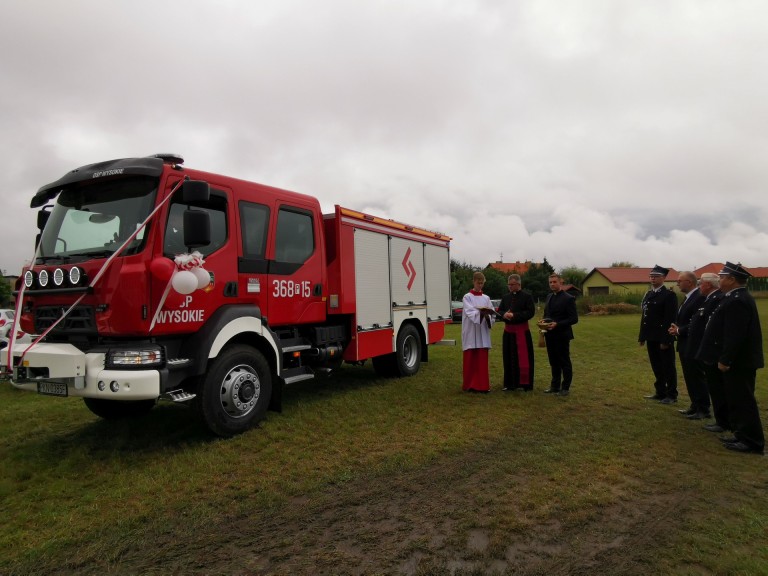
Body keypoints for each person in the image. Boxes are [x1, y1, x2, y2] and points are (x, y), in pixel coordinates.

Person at [698, 262, 764, 454]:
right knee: (735, 399)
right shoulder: (733, 297)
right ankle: (741, 434)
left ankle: (752, 441)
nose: (720, 280)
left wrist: (726, 359)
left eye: (723, 276)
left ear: (732, 279)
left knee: (743, 400)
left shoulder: (737, 300)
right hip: (737, 361)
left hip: (739, 362)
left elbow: (735, 334)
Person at [668, 271, 706, 418]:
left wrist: (679, 330)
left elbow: (697, 323)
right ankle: (695, 405)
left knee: (696, 377)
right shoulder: (688, 298)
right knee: (689, 376)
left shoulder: (698, 298)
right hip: (685, 343)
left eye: (680, 280)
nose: (677, 283)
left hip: (694, 344)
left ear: (689, 282)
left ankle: (703, 408)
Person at [639, 265, 678, 404]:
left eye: (656, 276)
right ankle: (660, 391)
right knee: (656, 365)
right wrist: (642, 336)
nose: (653, 278)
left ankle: (671, 394)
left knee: (667, 366)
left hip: (662, 337)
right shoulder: (649, 294)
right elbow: (645, 317)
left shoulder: (669, 295)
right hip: (651, 336)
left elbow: (670, 319)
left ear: (663, 278)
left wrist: (666, 340)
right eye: (651, 276)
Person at [541, 273, 578, 396]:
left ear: (560, 282)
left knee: (564, 361)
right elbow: (547, 314)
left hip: (562, 335)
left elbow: (574, 319)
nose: (552, 284)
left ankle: (565, 388)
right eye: (550, 282)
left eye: (554, 282)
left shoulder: (568, 298)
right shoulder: (549, 297)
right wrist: (543, 322)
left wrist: (558, 324)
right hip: (550, 335)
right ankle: (554, 386)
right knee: (553, 361)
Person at [498, 274, 536, 392]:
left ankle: (525, 384)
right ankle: (510, 384)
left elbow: (530, 313)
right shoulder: (505, 297)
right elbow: (500, 311)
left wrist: (514, 315)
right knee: (508, 357)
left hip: (522, 332)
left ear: (519, 284)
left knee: (524, 359)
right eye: (508, 284)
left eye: (512, 284)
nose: (509, 287)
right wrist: (504, 315)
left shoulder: (527, 297)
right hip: (508, 333)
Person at [461, 272, 495, 393]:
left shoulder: (486, 298)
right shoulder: (467, 297)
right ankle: (469, 385)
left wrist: (489, 315)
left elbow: (492, 313)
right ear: (473, 281)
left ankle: (482, 386)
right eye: (478, 283)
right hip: (471, 332)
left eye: (482, 283)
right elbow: (470, 312)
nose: (480, 285)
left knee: (481, 360)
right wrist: (481, 313)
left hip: (482, 332)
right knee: (470, 359)